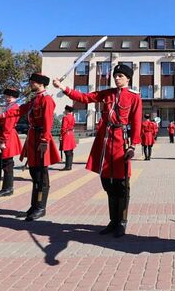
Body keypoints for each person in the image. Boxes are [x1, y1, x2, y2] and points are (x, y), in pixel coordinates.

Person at [53, 63, 142, 238]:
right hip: (104, 141)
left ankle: (122, 222)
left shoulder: (134, 97)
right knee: (107, 183)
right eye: (115, 76)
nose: (117, 78)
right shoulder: (106, 94)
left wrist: (133, 145)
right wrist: (63, 87)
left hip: (120, 141)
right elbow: (85, 98)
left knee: (121, 184)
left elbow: (137, 122)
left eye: (120, 76)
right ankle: (112, 221)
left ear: (128, 78)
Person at [0, 73, 60, 221]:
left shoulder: (47, 100)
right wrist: (0, 116)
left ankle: (41, 207)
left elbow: (48, 122)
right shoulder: (35, 100)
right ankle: (33, 206)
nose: (30, 84)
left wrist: (44, 141)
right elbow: (18, 110)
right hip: (33, 138)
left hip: (41, 139)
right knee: (34, 174)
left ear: (40, 84)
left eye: (32, 82)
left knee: (42, 176)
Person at [0, 88, 23, 197]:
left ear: (14, 97)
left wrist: (3, 141)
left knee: (7, 163)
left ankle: (8, 188)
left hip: (8, 136)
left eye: (10, 96)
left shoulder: (13, 107)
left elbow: (8, 125)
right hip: (5, 134)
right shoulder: (7, 107)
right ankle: (7, 187)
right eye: (7, 96)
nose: (7, 98)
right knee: (5, 163)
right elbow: (1, 120)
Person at [60, 105, 76, 171]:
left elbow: (64, 127)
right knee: (70, 151)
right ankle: (69, 165)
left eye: (65, 110)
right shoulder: (72, 117)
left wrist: (61, 135)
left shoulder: (65, 117)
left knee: (67, 151)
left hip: (66, 134)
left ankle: (67, 166)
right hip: (71, 134)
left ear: (67, 110)